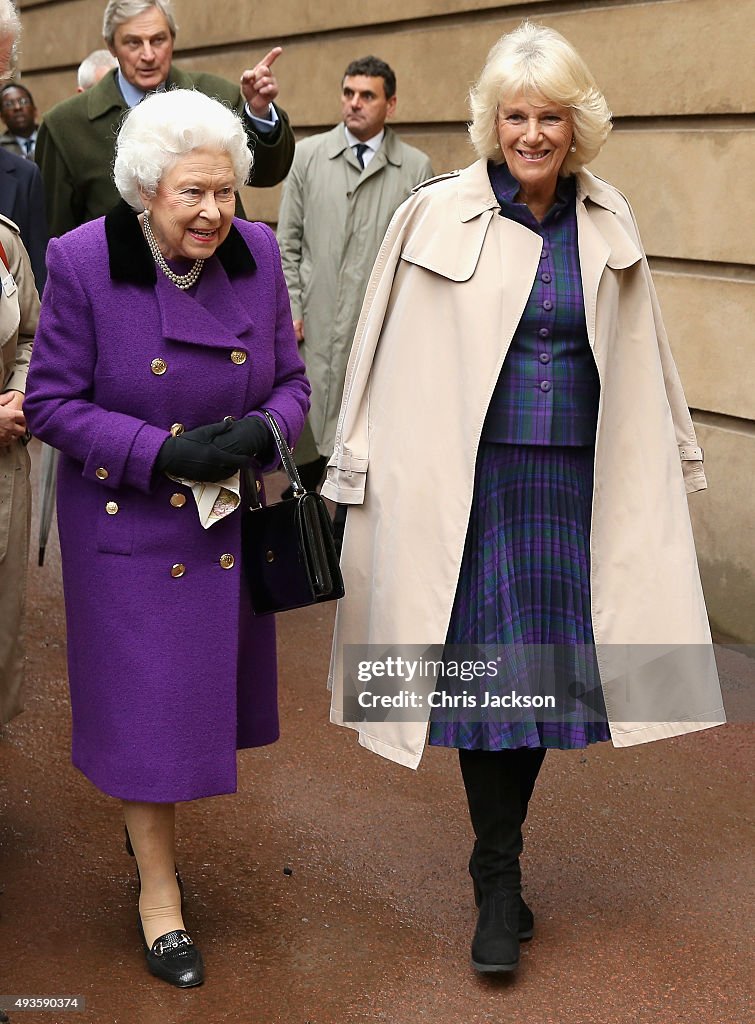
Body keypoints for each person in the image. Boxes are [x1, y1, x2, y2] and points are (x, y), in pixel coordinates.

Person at [322, 21, 725, 975]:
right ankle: (497, 880)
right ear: (490, 122)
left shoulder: (608, 217)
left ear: (576, 123)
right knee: (484, 681)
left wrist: (676, 457)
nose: (532, 135)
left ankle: (499, 860)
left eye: (549, 117)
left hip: (575, 479)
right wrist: (351, 463)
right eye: (515, 116)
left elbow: (647, 357)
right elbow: (373, 345)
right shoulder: (431, 213)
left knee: (538, 682)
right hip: (468, 482)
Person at [24, 89, 309, 988]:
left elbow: (294, 381)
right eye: (192, 194)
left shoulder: (257, 255)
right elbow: (51, 403)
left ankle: (153, 855)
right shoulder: (80, 262)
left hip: (222, 514)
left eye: (225, 191)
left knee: (190, 710)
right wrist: (161, 450)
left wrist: (261, 432)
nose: (214, 212)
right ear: (146, 190)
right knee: (150, 721)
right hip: (131, 524)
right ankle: (159, 897)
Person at [276, 55, 433, 492]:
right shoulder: (307, 156)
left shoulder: (415, 168)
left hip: (372, 333)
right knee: (302, 456)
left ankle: (346, 552)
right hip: (312, 328)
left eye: (367, 95)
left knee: (359, 457)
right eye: (348, 93)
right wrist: (290, 308)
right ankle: (303, 548)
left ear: (391, 104)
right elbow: (286, 243)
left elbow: (418, 260)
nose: (355, 104)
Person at [35, 0, 295, 237]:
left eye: (158, 40)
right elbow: (55, 232)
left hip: (217, 271)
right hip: (120, 280)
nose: (148, 55)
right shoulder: (65, 125)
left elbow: (266, 174)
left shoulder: (215, 97)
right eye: (134, 42)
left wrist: (259, 112)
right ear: (111, 46)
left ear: (172, 38)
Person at [0, 82, 39, 158]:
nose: (17, 107)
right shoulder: (1, 148)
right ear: (2, 117)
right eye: (9, 104)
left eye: (23, 102)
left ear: (34, 110)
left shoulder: (50, 139)